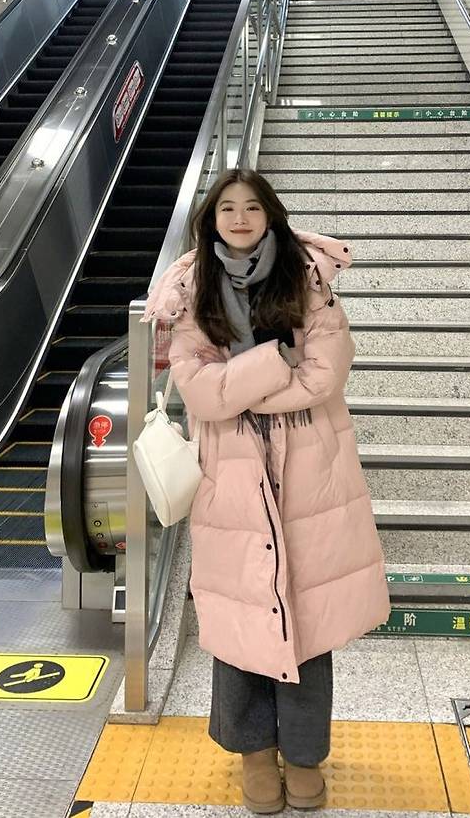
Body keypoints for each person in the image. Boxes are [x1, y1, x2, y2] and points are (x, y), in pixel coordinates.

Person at [143, 169, 390, 814]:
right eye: (227, 207)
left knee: (307, 619)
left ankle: (304, 756)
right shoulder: (191, 288)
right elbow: (198, 390)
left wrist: (241, 387)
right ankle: (254, 754)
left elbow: (326, 374)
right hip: (230, 473)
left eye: (252, 207)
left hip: (308, 467)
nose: (240, 218)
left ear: (270, 214)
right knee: (240, 615)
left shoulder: (308, 280)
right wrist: (276, 360)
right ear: (211, 219)